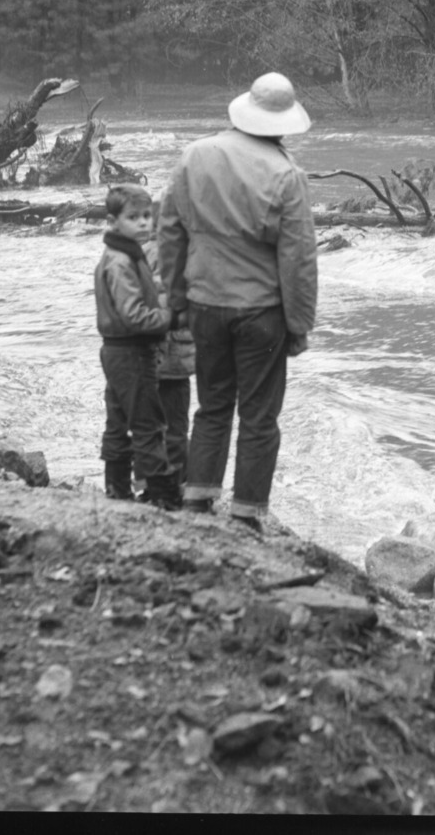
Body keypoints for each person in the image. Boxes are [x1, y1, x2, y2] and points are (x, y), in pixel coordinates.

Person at [157, 72, 319, 537]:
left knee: (211, 407)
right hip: (262, 312)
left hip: (206, 304)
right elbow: (298, 259)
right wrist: (299, 323)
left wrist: (176, 299)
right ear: (284, 123)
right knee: (259, 416)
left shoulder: (195, 157)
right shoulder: (287, 176)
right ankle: (247, 513)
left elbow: (170, 232)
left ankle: (198, 498)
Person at [92, 183, 178, 507]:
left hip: (115, 350)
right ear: (113, 221)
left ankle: (116, 490)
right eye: (133, 217)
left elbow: (135, 294)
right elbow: (134, 316)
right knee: (148, 423)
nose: (143, 223)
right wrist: (171, 317)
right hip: (130, 350)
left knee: (117, 420)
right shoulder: (121, 261)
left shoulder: (124, 253)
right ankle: (163, 495)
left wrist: (158, 289)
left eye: (147, 216)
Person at [144, 201, 195, 495]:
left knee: (156, 423)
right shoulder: (181, 256)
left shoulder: (142, 254)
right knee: (176, 424)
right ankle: (176, 484)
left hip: (153, 356)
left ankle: (159, 483)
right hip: (176, 359)